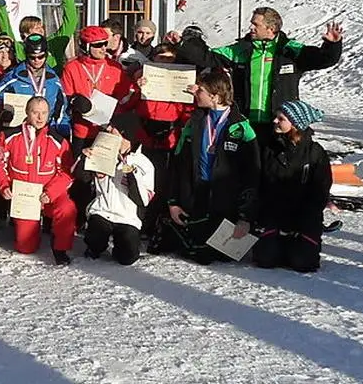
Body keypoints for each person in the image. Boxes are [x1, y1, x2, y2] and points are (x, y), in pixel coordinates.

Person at [174, 8, 343, 132]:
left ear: (271, 29)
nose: (251, 28)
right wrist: (183, 43)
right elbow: (207, 57)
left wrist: (332, 45)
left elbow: (324, 60)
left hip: (279, 123)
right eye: (251, 24)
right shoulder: (240, 50)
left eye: (256, 24)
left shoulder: (290, 50)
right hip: (246, 123)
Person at [153, 69, 260, 265]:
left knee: (223, 257)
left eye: (200, 90)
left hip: (225, 201)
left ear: (215, 96)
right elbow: (177, 164)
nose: (196, 93)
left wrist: (245, 217)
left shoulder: (241, 127)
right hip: (196, 196)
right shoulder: (194, 123)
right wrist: (173, 202)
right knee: (199, 254)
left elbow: (253, 174)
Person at [0, 96, 78, 265]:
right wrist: (4, 186)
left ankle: (60, 248)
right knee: (25, 247)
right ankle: (28, 229)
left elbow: (66, 173)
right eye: (35, 112)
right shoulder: (9, 136)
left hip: (48, 194)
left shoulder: (58, 141)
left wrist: (50, 193)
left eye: (44, 113)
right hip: (24, 197)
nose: (40, 118)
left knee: (67, 208)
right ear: (26, 112)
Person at [253, 101, 331, 272]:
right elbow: (259, 182)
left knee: (303, 263)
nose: (274, 121)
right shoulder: (268, 148)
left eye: (280, 119)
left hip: (303, 217)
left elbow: (320, 190)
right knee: (265, 259)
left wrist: (306, 220)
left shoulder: (315, 152)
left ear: (295, 124)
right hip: (273, 214)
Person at [132, 43, 194, 239]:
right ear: (154, 59)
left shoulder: (180, 79)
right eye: (161, 58)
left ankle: (161, 223)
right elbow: (128, 105)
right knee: (143, 181)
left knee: (166, 182)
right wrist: (136, 87)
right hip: (145, 135)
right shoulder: (143, 77)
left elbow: (187, 115)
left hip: (170, 137)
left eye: (170, 59)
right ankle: (143, 221)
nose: (166, 62)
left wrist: (190, 96)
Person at [82, 127, 156, 266]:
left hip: (127, 217)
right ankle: (96, 246)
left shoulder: (144, 164)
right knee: (95, 239)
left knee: (127, 258)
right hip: (103, 210)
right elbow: (80, 177)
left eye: (117, 136)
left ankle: (122, 245)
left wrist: (132, 176)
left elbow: (143, 200)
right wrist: (84, 160)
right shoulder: (101, 153)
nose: (112, 139)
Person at [60, 26, 138, 149]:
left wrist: (138, 87)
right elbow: (67, 99)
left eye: (105, 43)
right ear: (86, 47)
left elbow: (126, 100)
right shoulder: (72, 67)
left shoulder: (114, 67)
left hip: (109, 130)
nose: (103, 48)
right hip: (83, 131)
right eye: (98, 45)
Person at [0, 0, 79, 68]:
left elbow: (70, 22)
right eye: (36, 28)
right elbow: (6, 29)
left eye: (41, 27)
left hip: (51, 82)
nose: (41, 30)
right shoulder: (20, 48)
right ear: (25, 34)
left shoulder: (54, 43)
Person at [0, 33, 70, 137]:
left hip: (46, 132)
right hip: (20, 131)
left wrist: (62, 131)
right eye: (32, 57)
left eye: (41, 56)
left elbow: (62, 108)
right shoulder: (14, 77)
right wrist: (3, 112)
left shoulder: (53, 79)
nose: (37, 60)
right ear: (26, 55)